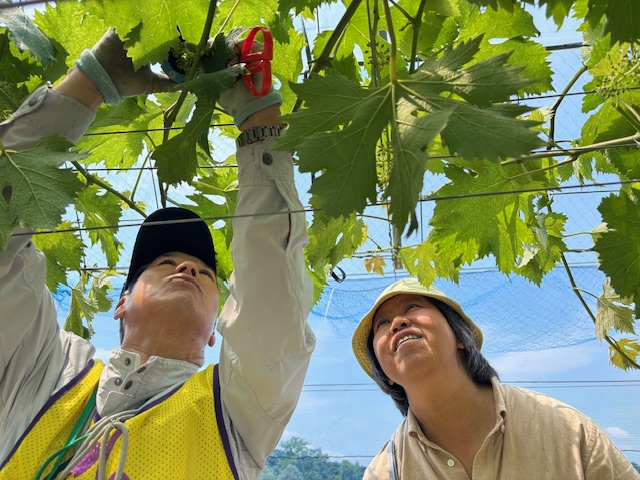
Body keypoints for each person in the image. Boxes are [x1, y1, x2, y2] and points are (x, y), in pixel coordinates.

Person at [0, 28, 315, 479]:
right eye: (165, 263)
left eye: (206, 274)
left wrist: (259, 120)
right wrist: (92, 81)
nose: (187, 267)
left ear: (218, 328)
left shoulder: (236, 410)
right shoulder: (45, 372)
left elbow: (271, 299)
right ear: (121, 303)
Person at [351, 278, 639, 479]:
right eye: (382, 324)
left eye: (412, 307)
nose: (397, 323)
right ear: (384, 374)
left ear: (460, 337)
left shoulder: (569, 429)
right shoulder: (385, 472)